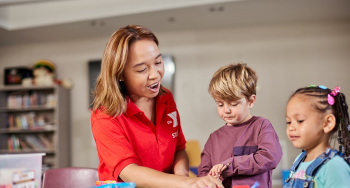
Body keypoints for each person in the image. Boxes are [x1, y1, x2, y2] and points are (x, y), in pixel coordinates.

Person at [91, 25, 224, 188]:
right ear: (120, 75)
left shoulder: (166, 98)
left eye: (158, 62)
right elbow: (129, 172)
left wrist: (181, 178)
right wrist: (187, 182)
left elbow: (179, 149)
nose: (155, 74)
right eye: (142, 69)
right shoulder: (105, 115)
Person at [198, 63, 283, 188]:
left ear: (251, 101)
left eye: (233, 104)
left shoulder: (262, 126)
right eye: (220, 104)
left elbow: (269, 157)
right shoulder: (213, 138)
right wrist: (210, 180)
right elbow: (203, 175)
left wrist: (230, 165)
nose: (226, 110)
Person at [284, 85, 350, 188]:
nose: (291, 127)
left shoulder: (335, 166)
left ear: (327, 123)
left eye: (300, 121)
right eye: (288, 122)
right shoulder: (299, 160)